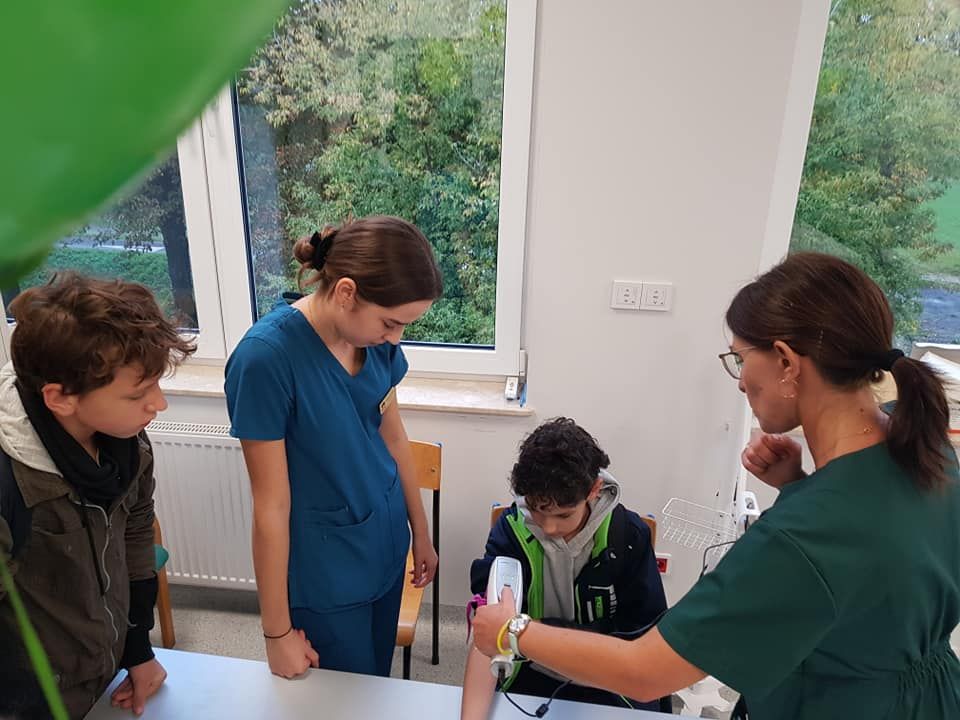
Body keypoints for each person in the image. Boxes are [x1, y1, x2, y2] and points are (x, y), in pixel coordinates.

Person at [472, 252, 960, 719]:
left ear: (786, 362)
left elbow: (645, 672)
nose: (740, 381)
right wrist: (798, 485)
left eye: (740, 359)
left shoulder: (799, 536)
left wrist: (514, 631)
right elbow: (867, 580)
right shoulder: (927, 447)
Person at [225, 215, 443, 680]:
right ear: (346, 292)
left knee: (375, 684)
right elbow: (270, 505)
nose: (396, 338)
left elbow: (394, 437)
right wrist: (276, 634)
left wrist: (420, 531)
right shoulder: (266, 360)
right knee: (341, 698)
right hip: (326, 573)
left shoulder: (375, 343)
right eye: (391, 323)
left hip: (385, 545)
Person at [0, 273, 196, 719]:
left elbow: (136, 537)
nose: (159, 404)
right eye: (138, 393)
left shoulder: (128, 441)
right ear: (60, 399)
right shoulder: (10, 480)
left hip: (103, 678)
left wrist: (137, 650)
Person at [460, 418, 667, 718]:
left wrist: (534, 631)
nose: (549, 527)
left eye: (563, 515)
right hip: (532, 672)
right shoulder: (512, 532)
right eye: (537, 510)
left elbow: (645, 643)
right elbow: (490, 634)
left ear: (594, 490)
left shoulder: (628, 537)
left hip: (610, 680)